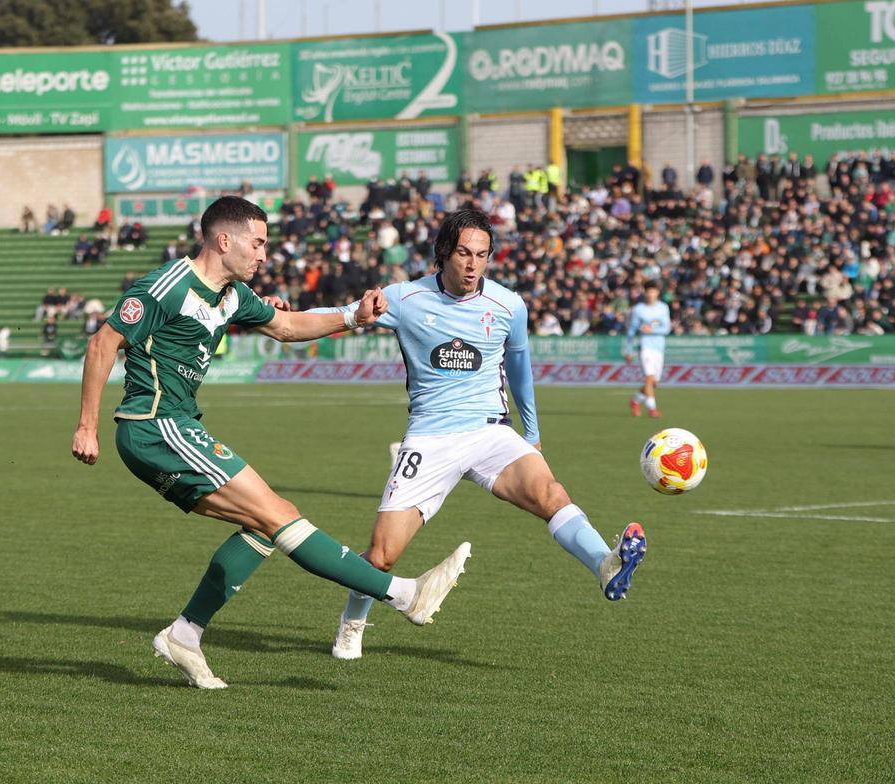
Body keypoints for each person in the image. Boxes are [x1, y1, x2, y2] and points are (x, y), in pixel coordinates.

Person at [71, 196, 471, 689]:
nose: (264, 255)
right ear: (224, 241)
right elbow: (102, 343)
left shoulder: (233, 295)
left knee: (265, 524)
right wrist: (87, 425)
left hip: (178, 426)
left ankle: (185, 632)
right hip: (156, 426)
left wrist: (353, 317)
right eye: (257, 243)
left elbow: (286, 325)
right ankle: (404, 595)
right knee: (280, 516)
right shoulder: (167, 286)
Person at [287, 209, 646, 660]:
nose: (473, 264)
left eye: (482, 255)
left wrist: (531, 434)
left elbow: (520, 370)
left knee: (551, 493)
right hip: (430, 438)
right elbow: (342, 315)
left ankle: (606, 565)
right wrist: (291, 313)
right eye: (463, 254)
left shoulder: (508, 305)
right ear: (443, 254)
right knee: (381, 556)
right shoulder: (405, 298)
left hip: (489, 431)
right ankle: (351, 624)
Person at [625, 281, 671, 418]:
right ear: (645, 293)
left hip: (659, 347)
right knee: (649, 377)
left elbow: (667, 328)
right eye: (648, 291)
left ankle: (635, 401)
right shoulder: (638, 309)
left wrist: (652, 329)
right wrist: (628, 350)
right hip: (645, 347)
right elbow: (631, 330)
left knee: (654, 382)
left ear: (657, 293)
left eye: (653, 291)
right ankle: (652, 409)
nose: (651, 294)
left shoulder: (663, 308)